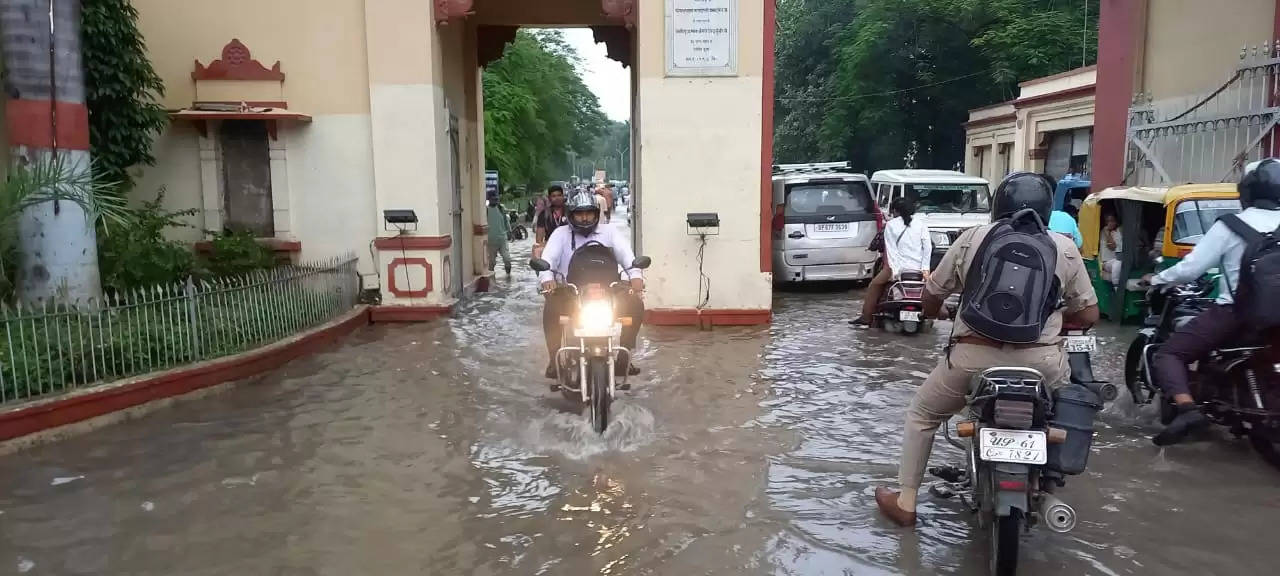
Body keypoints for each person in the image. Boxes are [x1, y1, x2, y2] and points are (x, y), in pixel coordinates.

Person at [874, 172, 1099, 527]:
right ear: (1047, 208)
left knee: (922, 415)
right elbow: (1089, 313)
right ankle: (1048, 479)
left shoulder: (972, 238)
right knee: (1060, 412)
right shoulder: (1065, 247)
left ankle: (906, 501)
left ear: (998, 207)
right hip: (1042, 363)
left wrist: (938, 313)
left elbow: (933, 295)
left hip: (972, 357)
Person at [1141, 158, 1280, 445]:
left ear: (1246, 192)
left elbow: (1191, 268)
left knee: (1170, 354)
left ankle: (1188, 409)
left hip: (1237, 314)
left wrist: (1156, 279)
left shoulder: (1232, 225)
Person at [539, 191, 646, 383]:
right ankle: (554, 360)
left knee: (636, 304)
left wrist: (636, 276)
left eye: (589, 213)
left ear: (597, 214)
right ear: (571, 215)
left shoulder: (610, 232)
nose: (585, 218)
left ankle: (623, 357)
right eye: (580, 214)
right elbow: (548, 260)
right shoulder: (560, 234)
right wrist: (547, 278)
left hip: (609, 295)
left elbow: (628, 258)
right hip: (571, 293)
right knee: (550, 308)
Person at [853, 197, 932, 327]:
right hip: (918, 270)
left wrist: (895, 272)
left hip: (896, 268)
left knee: (874, 285)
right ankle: (940, 314)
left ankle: (866, 318)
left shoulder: (890, 225)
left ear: (895, 211)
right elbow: (927, 248)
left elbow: (891, 250)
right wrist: (925, 270)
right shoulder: (921, 224)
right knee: (934, 290)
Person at [534, 184, 568, 259]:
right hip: (550, 248)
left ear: (563, 196)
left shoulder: (571, 212)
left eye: (559, 195)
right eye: (554, 196)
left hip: (568, 248)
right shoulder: (543, 214)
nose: (557, 198)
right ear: (549, 198)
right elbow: (539, 239)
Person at [486, 198, 512, 275]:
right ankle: (491, 279)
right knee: (491, 263)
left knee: (507, 259)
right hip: (491, 241)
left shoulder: (501, 208)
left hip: (502, 239)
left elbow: (506, 221)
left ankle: (508, 276)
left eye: (496, 199)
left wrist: (509, 231)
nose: (495, 201)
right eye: (493, 199)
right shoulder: (485, 210)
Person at [1100, 211, 1123, 284]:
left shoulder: (1118, 231)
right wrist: (1107, 232)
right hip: (1106, 262)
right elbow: (1112, 246)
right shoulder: (1104, 231)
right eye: (1108, 221)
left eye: (1112, 221)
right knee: (1118, 263)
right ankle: (1116, 287)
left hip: (1118, 259)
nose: (1110, 223)